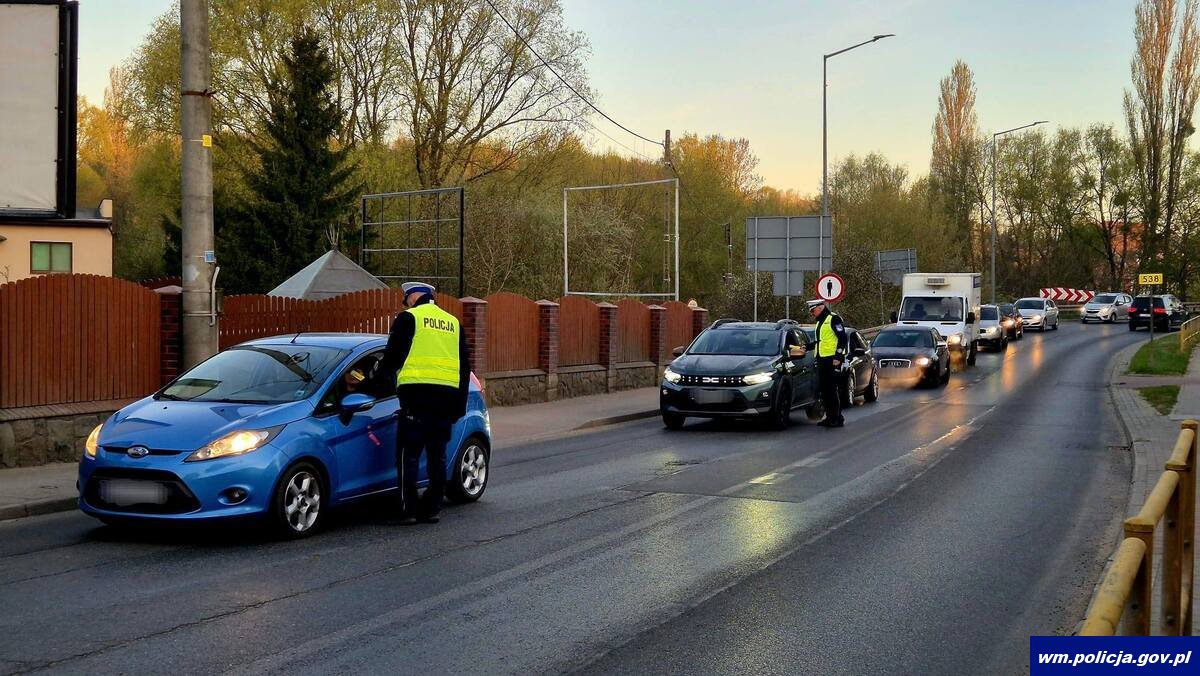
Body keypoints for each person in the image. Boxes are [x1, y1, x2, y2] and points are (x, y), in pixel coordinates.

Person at [376, 282, 470, 524]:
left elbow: (392, 358)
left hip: (416, 400)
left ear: (413, 296)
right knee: (437, 455)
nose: (404, 303)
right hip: (446, 402)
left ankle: (408, 511)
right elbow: (464, 368)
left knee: (409, 456)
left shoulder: (409, 318)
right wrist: (459, 407)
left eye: (405, 299)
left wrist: (375, 381)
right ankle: (432, 509)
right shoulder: (452, 323)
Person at [807, 299, 848, 428]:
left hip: (831, 360)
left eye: (813, 310)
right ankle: (830, 417)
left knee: (831, 390)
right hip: (822, 359)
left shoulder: (833, 319)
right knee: (824, 390)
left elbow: (842, 338)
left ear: (820, 308)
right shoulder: (821, 322)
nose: (813, 313)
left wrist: (838, 356)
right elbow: (821, 341)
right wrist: (806, 347)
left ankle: (837, 418)